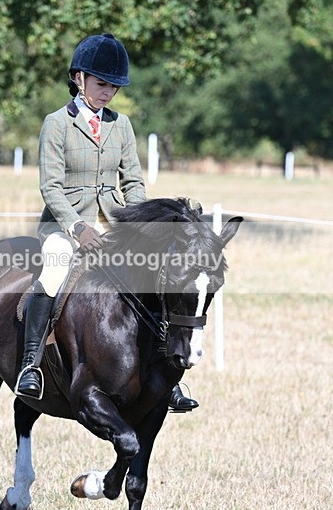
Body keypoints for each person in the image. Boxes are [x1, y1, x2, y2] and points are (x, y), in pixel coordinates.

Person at [15, 32, 198, 414]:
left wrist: (144, 227)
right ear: (79, 78)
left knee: (155, 277)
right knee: (53, 273)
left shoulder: (122, 125)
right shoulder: (56, 124)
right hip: (65, 225)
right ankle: (30, 366)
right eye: (102, 84)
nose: (108, 93)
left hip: (115, 222)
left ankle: (165, 375)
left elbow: (132, 181)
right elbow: (50, 186)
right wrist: (76, 227)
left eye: (114, 87)